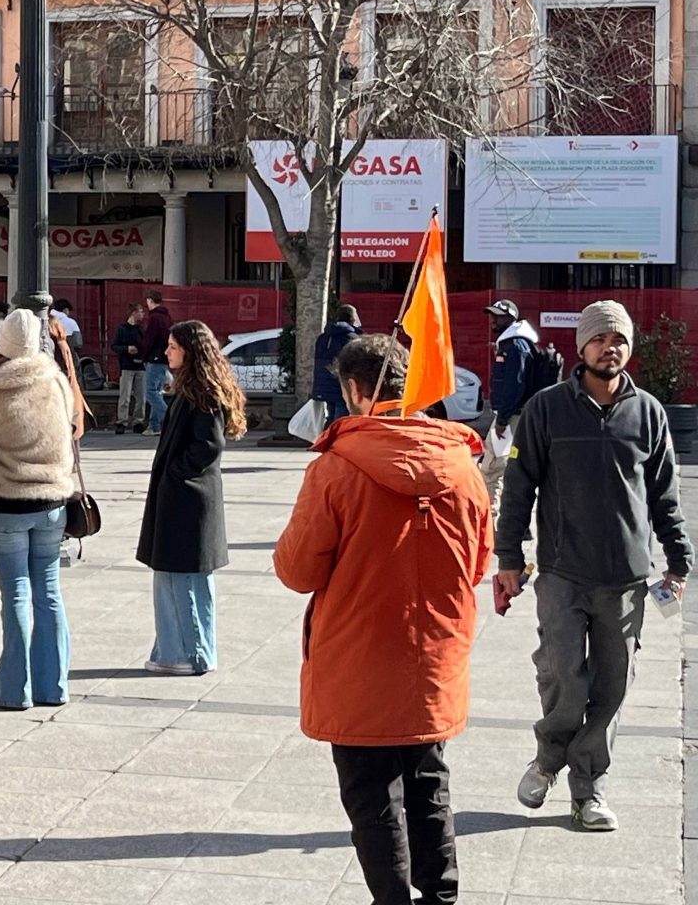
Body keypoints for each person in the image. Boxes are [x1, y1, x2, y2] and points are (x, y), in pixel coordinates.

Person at [275, 333, 491, 905]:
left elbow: (297, 569)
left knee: (372, 796)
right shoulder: (464, 468)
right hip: (435, 652)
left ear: (354, 389)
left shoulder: (336, 469)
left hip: (359, 654)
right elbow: (477, 563)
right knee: (429, 783)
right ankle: (441, 896)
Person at [497, 301, 691, 832]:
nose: (612, 347)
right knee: (562, 673)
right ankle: (548, 758)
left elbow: (665, 497)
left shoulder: (648, 412)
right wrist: (509, 559)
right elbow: (518, 488)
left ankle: (589, 787)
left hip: (626, 577)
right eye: (602, 338)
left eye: (621, 340)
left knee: (613, 685)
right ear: (580, 348)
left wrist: (679, 562)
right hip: (561, 570)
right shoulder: (546, 408)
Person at [0, 309, 75, 711]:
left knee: (15, 592)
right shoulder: (55, 381)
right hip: (53, 502)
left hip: (7, 502)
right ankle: (54, 686)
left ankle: (14, 689)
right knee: (49, 592)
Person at [137, 320, 246, 676]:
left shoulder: (202, 393)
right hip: (182, 497)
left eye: (173, 346)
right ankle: (173, 648)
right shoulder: (193, 388)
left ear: (190, 351)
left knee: (183, 576)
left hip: (188, 498)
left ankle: (190, 652)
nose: (166, 352)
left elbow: (208, 445)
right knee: (172, 575)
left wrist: (176, 473)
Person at [485, 299, 542, 440]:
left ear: (510, 319)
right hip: (512, 414)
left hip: (513, 416)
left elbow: (514, 385)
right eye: (492, 315)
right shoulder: (511, 344)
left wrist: (502, 420)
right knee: (511, 457)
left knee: (497, 459)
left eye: (497, 316)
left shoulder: (516, 345)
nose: (492, 319)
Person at [311, 304, 363, 427]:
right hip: (342, 384)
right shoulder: (351, 338)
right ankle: (335, 442)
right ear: (352, 319)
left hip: (323, 384)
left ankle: (328, 441)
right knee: (341, 418)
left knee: (331, 415)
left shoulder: (323, 337)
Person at [139, 290, 174, 435]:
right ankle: (154, 426)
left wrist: (143, 355)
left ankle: (169, 420)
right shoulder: (167, 317)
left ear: (150, 301)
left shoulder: (154, 318)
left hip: (154, 357)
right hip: (164, 357)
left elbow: (149, 339)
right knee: (158, 392)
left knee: (150, 392)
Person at [111, 304, 147, 435]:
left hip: (140, 366)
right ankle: (122, 421)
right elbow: (114, 346)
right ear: (133, 313)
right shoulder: (122, 329)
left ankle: (138, 421)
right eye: (140, 312)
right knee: (125, 396)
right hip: (126, 366)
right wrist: (126, 349)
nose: (142, 315)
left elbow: (146, 346)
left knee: (141, 397)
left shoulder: (141, 330)